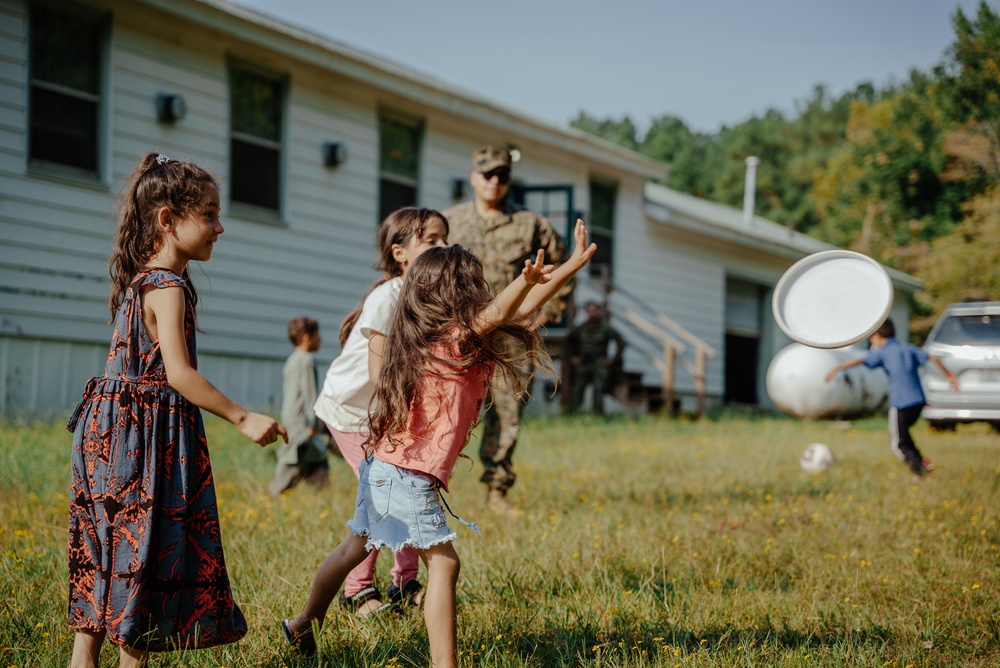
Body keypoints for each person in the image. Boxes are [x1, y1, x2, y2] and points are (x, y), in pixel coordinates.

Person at [283, 219, 596, 667]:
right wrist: (529, 279)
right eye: (475, 284)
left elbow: (518, 312)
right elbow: (504, 311)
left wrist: (569, 267)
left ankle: (301, 625)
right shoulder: (453, 340)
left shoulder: (436, 338)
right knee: (445, 565)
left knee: (355, 546)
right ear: (455, 294)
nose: (484, 291)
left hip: (387, 467)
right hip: (405, 474)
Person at [66, 153, 287, 668]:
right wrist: (242, 416)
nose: (220, 226)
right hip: (145, 440)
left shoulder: (138, 282)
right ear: (168, 219)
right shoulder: (167, 288)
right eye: (208, 213)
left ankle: (83, 659)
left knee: (108, 553)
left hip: (105, 435)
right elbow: (178, 374)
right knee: (147, 552)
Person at [313, 207, 448, 616]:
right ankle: (357, 589)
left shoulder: (428, 300)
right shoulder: (388, 297)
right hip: (355, 413)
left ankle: (404, 584)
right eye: (431, 241)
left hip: (389, 412)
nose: (443, 247)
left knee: (405, 491)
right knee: (385, 497)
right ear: (401, 253)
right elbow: (377, 373)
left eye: (446, 238)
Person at [444, 145, 569, 514]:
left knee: (507, 411)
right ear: (474, 178)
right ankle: (431, 482)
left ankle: (497, 490)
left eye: (502, 176)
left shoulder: (530, 224)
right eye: (487, 174)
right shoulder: (450, 223)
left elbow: (562, 266)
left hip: (512, 335)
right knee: (449, 407)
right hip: (464, 331)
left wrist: (545, 311)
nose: (494, 182)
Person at [825, 319, 959, 477]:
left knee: (898, 444)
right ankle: (922, 462)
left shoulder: (883, 352)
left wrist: (838, 367)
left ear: (878, 335)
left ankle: (921, 472)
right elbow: (933, 357)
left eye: (871, 337)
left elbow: (861, 360)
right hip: (918, 403)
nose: (870, 341)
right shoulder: (907, 348)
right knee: (905, 438)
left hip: (901, 403)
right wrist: (949, 375)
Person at [269, 317, 329, 496]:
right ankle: (275, 495)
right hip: (302, 422)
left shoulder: (292, 359)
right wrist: (314, 424)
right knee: (291, 462)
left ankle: (321, 497)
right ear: (307, 338)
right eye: (318, 336)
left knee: (315, 459)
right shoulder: (306, 360)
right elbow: (309, 394)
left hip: (292, 418)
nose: (321, 340)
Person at [566, 300, 626, 415]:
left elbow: (620, 342)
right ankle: (573, 413)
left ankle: (597, 414)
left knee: (599, 389)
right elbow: (568, 341)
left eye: (594, 311)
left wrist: (613, 360)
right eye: (589, 311)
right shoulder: (581, 328)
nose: (592, 313)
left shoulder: (605, 327)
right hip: (584, 362)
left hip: (599, 362)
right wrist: (573, 357)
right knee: (578, 388)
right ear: (586, 312)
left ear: (598, 312)